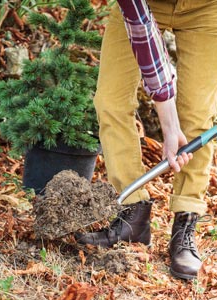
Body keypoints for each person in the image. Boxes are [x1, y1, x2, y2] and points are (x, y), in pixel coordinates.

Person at [77, 0, 217, 280]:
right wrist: (167, 118)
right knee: (111, 100)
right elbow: (141, 25)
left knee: (196, 115)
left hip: (207, 8)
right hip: (142, 6)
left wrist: (175, 122)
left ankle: (185, 220)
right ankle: (133, 214)